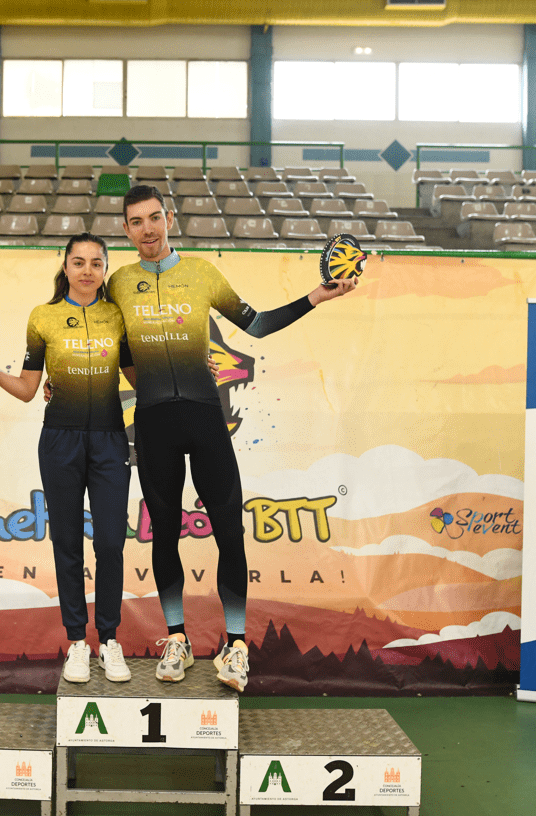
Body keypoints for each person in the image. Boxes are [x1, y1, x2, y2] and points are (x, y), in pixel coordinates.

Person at [107, 183, 358, 692]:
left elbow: (257, 325)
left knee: (228, 531)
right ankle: (176, 640)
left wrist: (318, 296)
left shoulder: (202, 273)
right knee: (164, 533)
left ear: (169, 219)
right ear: (126, 230)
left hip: (205, 418)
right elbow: (110, 347)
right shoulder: (118, 284)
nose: (147, 229)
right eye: (136, 222)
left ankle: (237, 647)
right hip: (153, 423)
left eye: (154, 218)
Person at [0, 233, 135, 684]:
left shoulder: (118, 316)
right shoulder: (43, 318)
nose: (87, 270)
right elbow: (29, 389)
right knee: (67, 544)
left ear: (105, 269)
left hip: (111, 441)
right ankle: (77, 643)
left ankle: (109, 640)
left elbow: (140, 377)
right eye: (78, 262)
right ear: (65, 267)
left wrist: (191, 367)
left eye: (96, 263)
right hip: (60, 443)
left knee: (111, 543)